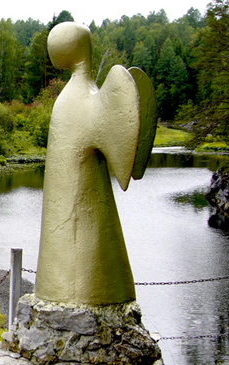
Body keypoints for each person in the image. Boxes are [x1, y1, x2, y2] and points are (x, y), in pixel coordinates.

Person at [35, 22, 156, 306]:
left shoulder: (73, 101)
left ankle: (74, 289)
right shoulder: (80, 99)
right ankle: (87, 285)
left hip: (79, 215)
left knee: (70, 229)